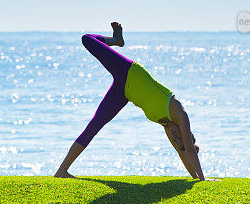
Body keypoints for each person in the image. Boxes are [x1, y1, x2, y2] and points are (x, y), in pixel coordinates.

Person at [54, 23, 205, 180]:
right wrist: (203, 179)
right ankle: (116, 40)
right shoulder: (178, 111)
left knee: (95, 124)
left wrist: (195, 178)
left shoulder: (167, 125)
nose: (175, 136)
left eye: (176, 140)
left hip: (124, 93)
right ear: (187, 132)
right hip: (130, 71)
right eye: (180, 137)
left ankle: (61, 172)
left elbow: (181, 151)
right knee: (87, 39)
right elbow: (188, 148)